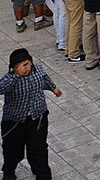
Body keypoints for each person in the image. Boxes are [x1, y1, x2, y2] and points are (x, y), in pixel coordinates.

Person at [0, 48, 61, 180]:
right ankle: (9, 173)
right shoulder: (10, 79)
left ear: (30, 61)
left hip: (38, 117)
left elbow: (45, 79)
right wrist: (16, 75)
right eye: (18, 66)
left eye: (26, 64)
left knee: (38, 150)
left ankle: (42, 175)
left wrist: (54, 88)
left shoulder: (38, 70)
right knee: (12, 150)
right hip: (15, 121)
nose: (24, 69)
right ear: (13, 68)